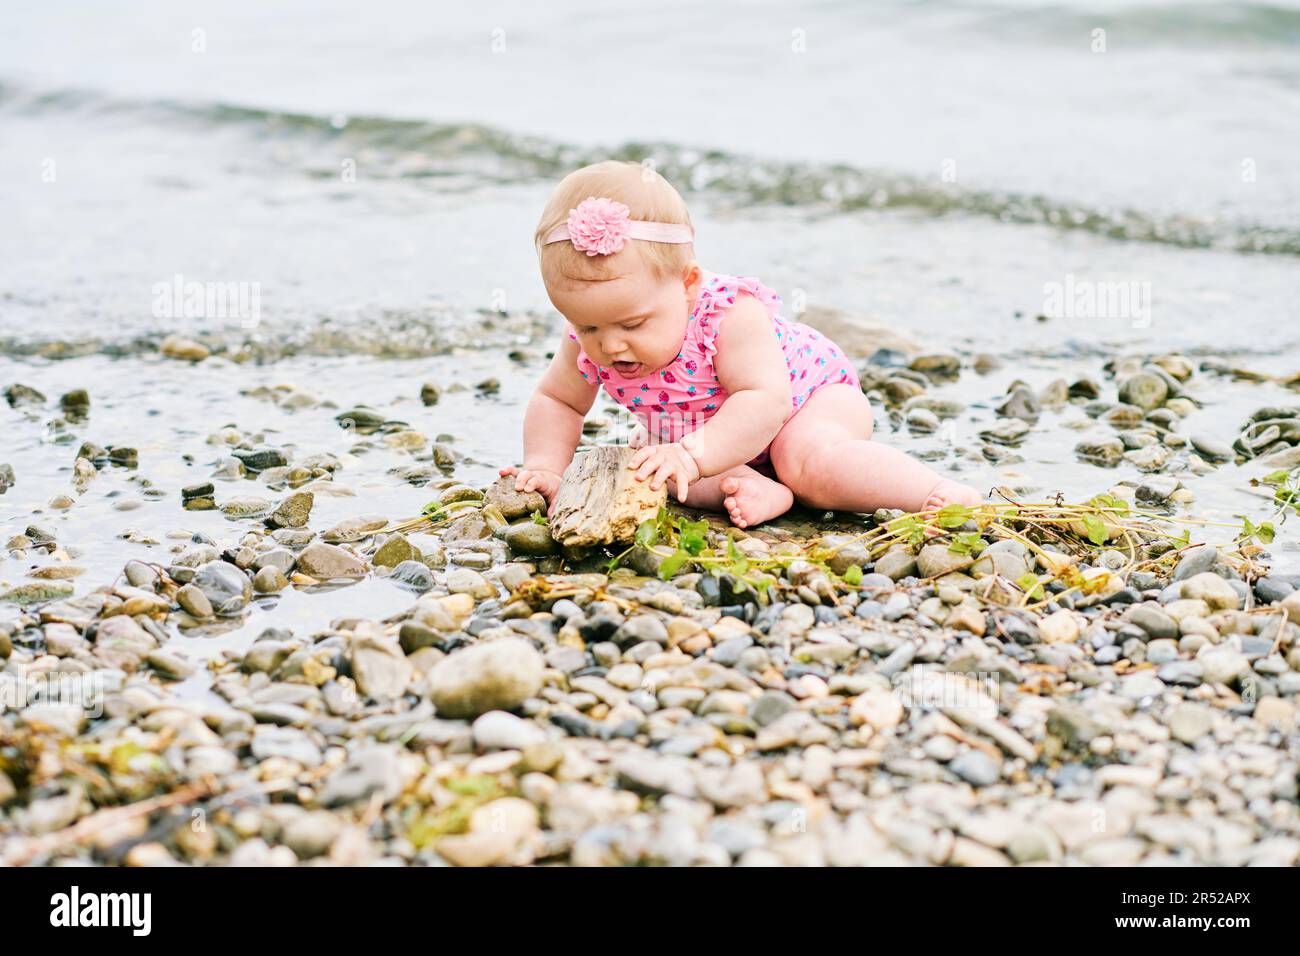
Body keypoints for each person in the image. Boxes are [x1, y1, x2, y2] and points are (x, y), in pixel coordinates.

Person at [502, 160, 981, 529]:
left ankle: (935, 491)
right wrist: (546, 467)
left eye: (632, 323)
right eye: (587, 327)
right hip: (708, 436)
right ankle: (758, 488)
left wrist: (690, 453)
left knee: (807, 462)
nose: (609, 345)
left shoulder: (727, 315)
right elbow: (558, 400)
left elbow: (765, 401)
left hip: (804, 403)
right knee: (649, 459)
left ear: (687, 285)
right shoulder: (590, 337)